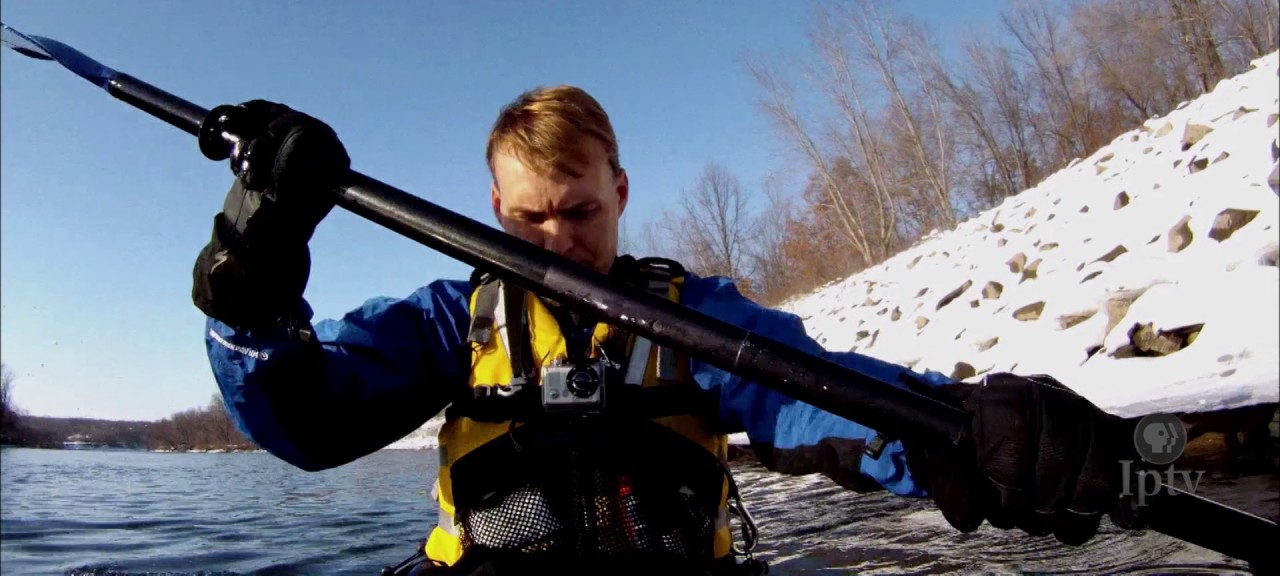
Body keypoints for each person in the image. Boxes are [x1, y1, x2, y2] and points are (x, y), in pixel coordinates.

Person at [191, 87, 1139, 575]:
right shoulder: (451, 321)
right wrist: (251, 282)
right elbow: (306, 420)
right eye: (529, 219)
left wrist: (960, 432)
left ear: (620, 194)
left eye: (580, 212)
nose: (558, 240)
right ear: (493, 210)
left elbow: (816, 396)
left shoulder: (695, 318)